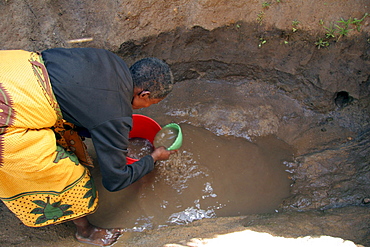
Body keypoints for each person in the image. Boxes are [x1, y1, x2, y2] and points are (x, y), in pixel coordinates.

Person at [0, 48, 176, 246]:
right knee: (68, 174)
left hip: (13, 69)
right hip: (7, 115)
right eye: (151, 103)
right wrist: (153, 158)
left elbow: (82, 103)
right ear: (144, 94)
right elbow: (115, 180)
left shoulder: (110, 61)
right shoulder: (116, 114)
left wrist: (111, 138)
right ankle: (85, 231)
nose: (148, 107)